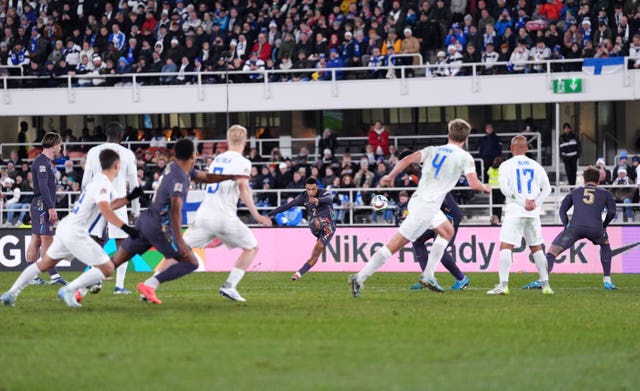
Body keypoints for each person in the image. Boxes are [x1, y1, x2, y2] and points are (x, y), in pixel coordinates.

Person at [349, 119, 490, 297]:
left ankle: (428, 275)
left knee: (447, 231)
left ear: (448, 135)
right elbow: (473, 184)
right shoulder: (465, 157)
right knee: (394, 245)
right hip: (426, 207)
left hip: (421, 202)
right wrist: (486, 187)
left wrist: (390, 176)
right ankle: (360, 277)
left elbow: (407, 159)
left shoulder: (432, 150)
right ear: (466, 139)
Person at [107, 139, 247, 305]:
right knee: (191, 262)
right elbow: (175, 210)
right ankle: (149, 285)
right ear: (193, 156)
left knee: (116, 260)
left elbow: (206, 176)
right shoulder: (179, 177)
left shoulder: (173, 167)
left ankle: (79, 288)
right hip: (159, 227)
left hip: (145, 220)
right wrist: (179, 238)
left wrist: (230, 177)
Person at [1, 149, 141, 307]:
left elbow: (109, 205)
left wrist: (130, 197)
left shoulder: (98, 182)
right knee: (107, 268)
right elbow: (106, 210)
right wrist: (127, 229)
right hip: (77, 232)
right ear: (116, 165)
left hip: (66, 227)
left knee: (44, 263)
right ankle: (69, 289)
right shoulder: (103, 184)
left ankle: (11, 293)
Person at [154, 125, 272, 303]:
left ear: (227, 141)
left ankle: (150, 284)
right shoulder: (243, 162)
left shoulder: (217, 160)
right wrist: (256, 215)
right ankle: (229, 286)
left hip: (203, 216)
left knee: (178, 251)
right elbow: (242, 186)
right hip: (224, 217)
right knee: (252, 247)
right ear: (245, 142)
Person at [522, 166, 618, 291]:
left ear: (584, 180)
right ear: (598, 181)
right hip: (595, 228)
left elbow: (562, 210)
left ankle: (542, 280)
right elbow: (611, 212)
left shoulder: (575, 192)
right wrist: (603, 226)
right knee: (605, 245)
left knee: (552, 252)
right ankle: (607, 281)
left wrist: (566, 225)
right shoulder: (606, 193)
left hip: (575, 228)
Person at [487, 136, 553, 295]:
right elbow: (548, 189)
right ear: (527, 149)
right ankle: (546, 286)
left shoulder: (506, 165)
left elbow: (504, 188)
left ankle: (503, 285)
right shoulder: (536, 166)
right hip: (533, 212)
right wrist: (535, 203)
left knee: (506, 246)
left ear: (511, 148)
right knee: (537, 248)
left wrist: (522, 201)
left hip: (515, 211)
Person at [81, 122, 141, 294]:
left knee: (94, 241)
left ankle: (96, 280)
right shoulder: (128, 154)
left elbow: (85, 182)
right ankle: (119, 286)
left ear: (106, 135)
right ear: (121, 136)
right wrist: (135, 210)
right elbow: (135, 185)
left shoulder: (93, 152)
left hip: (96, 202)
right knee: (123, 244)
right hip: (118, 203)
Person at [267, 177, 336, 281]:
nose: (310, 192)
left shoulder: (324, 193)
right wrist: (268, 215)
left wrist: (318, 200)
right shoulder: (303, 197)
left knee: (317, 251)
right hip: (315, 224)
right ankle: (319, 224)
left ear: (317, 187)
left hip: (330, 227)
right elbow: (287, 206)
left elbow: (329, 199)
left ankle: (299, 273)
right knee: (318, 221)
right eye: (308, 189)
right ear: (305, 188)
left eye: (313, 189)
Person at [27, 132, 67, 286]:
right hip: (42, 204)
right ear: (54, 145)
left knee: (36, 239)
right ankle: (54, 276)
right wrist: (51, 207)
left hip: (39, 203)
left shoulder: (43, 161)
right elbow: (43, 185)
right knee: (47, 239)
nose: (60, 148)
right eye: (60, 145)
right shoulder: (42, 162)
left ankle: (32, 276)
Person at [409, 193, 471, 291]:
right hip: (437, 217)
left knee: (440, 249)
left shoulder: (437, 184)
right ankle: (426, 278)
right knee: (417, 240)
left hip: (450, 217)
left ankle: (461, 279)